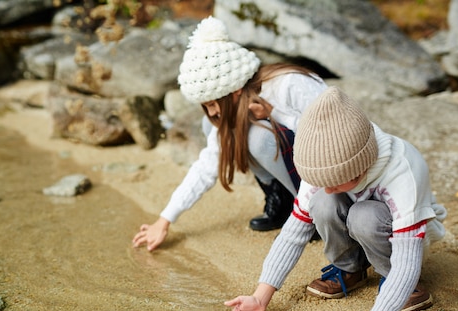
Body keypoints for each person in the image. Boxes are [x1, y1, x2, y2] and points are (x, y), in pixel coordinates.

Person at [224, 86, 447, 311]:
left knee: (364, 217)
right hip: (360, 215)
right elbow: (293, 234)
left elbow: (407, 259)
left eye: (335, 182)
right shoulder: (323, 161)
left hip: (406, 239)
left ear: (360, 167)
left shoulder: (403, 169)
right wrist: (260, 296)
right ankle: (350, 268)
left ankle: (396, 284)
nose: (326, 188)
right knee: (323, 203)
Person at [132, 16, 327, 251]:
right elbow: (206, 167)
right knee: (215, 126)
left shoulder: (288, 85)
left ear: (234, 90)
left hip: (324, 171)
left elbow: (329, 133)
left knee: (258, 138)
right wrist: (164, 220)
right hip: (295, 162)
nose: (211, 110)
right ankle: (282, 199)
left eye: (214, 103)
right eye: (205, 105)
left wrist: (274, 113)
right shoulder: (237, 102)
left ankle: (310, 211)